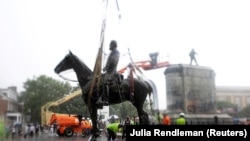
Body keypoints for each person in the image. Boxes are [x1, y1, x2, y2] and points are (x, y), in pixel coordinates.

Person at [101, 40, 120, 105]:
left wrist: (106, 67)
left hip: (112, 72)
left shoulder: (116, 52)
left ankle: (106, 100)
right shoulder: (112, 52)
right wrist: (105, 67)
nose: (109, 46)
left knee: (105, 82)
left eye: (110, 45)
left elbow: (113, 62)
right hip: (109, 71)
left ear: (113, 45)